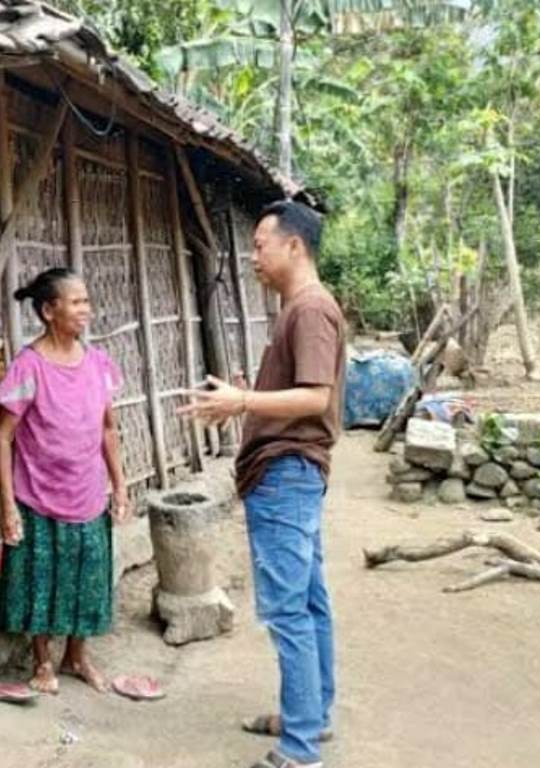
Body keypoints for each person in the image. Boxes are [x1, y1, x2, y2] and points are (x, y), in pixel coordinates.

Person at [180, 201, 346, 768]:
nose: (252, 256)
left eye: (259, 244)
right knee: (309, 601)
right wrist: (245, 400)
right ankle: (311, 718)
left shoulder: (310, 310)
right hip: (289, 473)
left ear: (294, 246)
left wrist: (243, 400)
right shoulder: (298, 309)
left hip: (286, 475)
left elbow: (315, 396)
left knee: (287, 611)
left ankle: (299, 748)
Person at [0, 267, 130, 694]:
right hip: (37, 493)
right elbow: (2, 435)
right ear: (49, 311)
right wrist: (7, 503)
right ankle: (42, 661)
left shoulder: (98, 364)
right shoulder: (28, 366)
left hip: (87, 492)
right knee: (40, 577)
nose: (85, 310)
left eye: (86, 301)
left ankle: (76, 656)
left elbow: (108, 429)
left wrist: (120, 485)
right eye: (76, 302)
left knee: (88, 578)